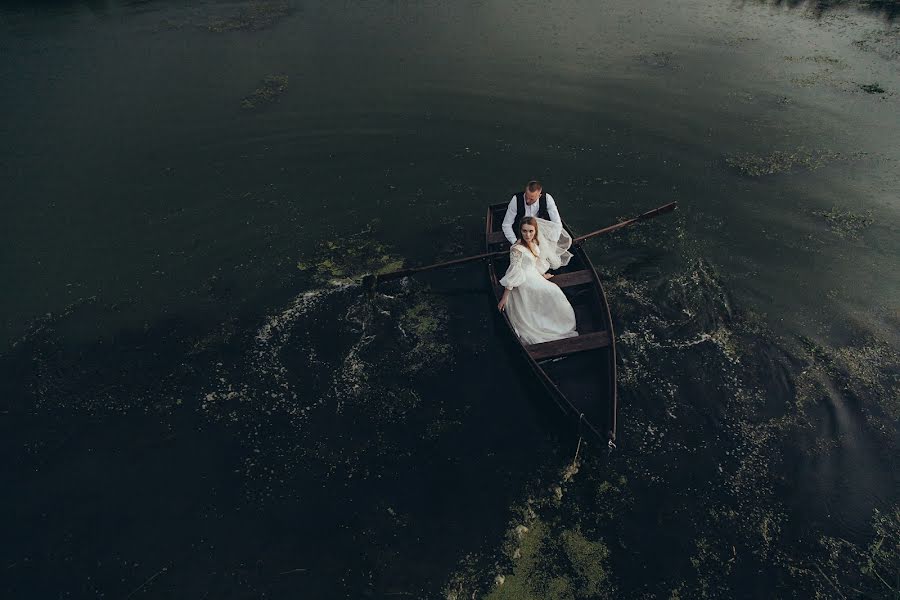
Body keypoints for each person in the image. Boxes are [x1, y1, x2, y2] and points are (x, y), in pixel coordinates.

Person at [497, 217, 579, 345]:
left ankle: (556, 323)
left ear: (535, 231)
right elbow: (515, 272)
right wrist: (505, 297)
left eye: (530, 231)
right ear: (520, 231)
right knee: (551, 291)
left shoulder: (534, 243)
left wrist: (541, 275)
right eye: (524, 231)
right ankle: (543, 326)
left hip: (533, 275)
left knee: (554, 291)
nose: (527, 234)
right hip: (523, 280)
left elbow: (533, 264)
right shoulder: (516, 249)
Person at [501, 180, 562, 245]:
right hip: (520, 232)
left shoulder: (547, 199)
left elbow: (557, 223)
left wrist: (553, 241)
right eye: (526, 196)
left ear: (539, 195)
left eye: (531, 199)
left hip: (540, 231)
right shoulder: (516, 200)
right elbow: (506, 225)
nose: (527, 201)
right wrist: (514, 241)